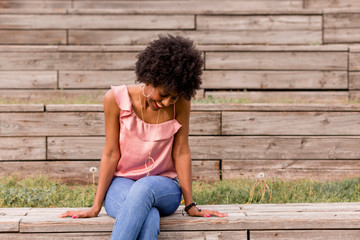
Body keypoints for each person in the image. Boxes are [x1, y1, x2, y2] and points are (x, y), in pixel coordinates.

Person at [58, 35, 227, 239]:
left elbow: (181, 151)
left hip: (164, 186)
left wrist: (190, 204)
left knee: (144, 187)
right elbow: (111, 153)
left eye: (173, 97)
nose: (167, 102)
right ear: (150, 78)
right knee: (148, 217)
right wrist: (95, 206)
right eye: (164, 94)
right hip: (122, 184)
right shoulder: (115, 99)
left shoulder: (180, 104)